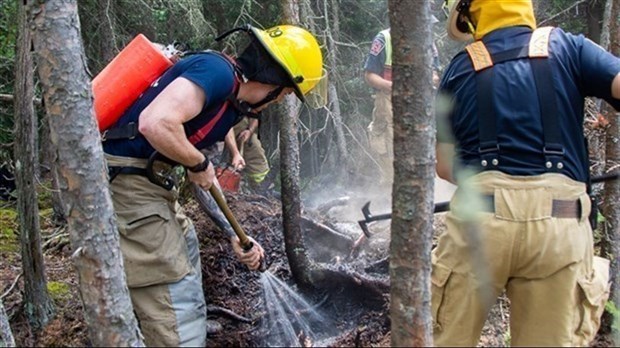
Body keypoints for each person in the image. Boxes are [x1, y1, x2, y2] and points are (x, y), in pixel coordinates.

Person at [101, 24, 324, 346]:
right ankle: (179, 336)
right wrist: (198, 163)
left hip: (150, 183)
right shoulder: (216, 71)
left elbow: (201, 178)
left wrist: (235, 233)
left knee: (187, 244)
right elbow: (156, 122)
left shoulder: (229, 106)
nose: (280, 101)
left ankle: (173, 329)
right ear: (274, 80)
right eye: (287, 93)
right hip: (126, 182)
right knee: (169, 280)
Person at [433, 0, 619, 346]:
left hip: (480, 224)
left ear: (469, 15)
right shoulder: (569, 47)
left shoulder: (459, 68)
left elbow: (444, 166)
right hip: (560, 224)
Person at [364, 17, 440, 184]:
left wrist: (427, 79)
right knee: (393, 155)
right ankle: (390, 197)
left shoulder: (428, 43)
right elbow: (370, 76)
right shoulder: (384, 39)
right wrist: (395, 86)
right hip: (389, 102)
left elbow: (435, 74)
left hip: (419, 104)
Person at [226, 116, 272, 194]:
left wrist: (249, 131)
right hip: (218, 125)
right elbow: (225, 127)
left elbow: (254, 114)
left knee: (254, 150)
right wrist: (235, 153)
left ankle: (261, 186)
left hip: (241, 124)